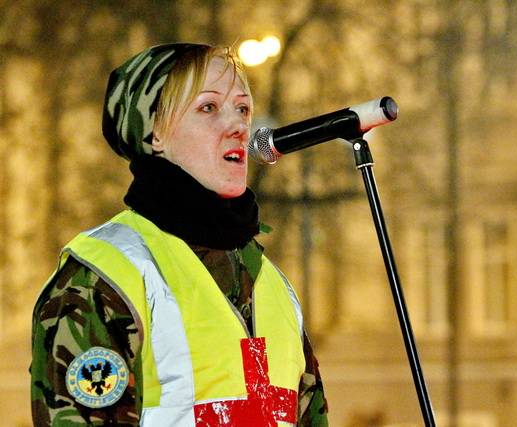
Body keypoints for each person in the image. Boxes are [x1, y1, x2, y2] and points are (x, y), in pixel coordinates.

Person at [30, 43, 329, 426]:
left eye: (242, 109)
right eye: (209, 108)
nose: (239, 126)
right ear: (154, 133)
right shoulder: (102, 277)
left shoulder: (272, 285)